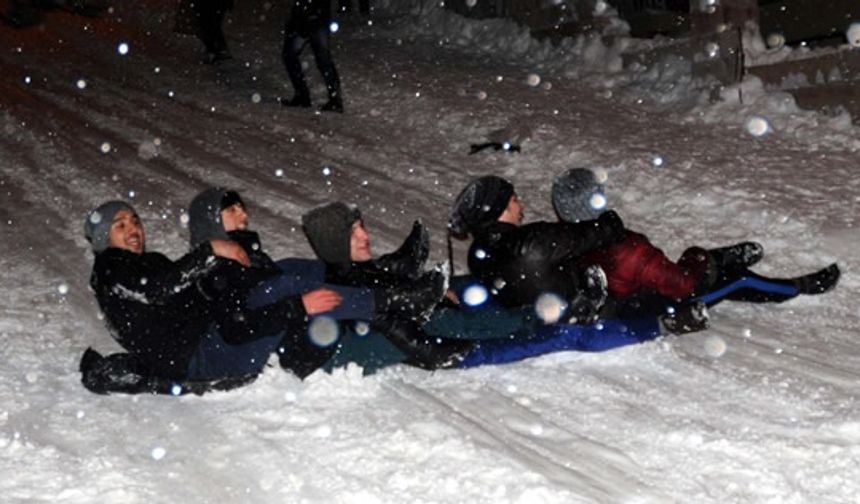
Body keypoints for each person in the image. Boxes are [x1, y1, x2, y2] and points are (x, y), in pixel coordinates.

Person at [302, 202, 707, 375]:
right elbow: (411, 339)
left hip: (399, 311)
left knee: (467, 298)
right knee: (495, 321)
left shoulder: (345, 274)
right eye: (356, 232)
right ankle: (576, 311)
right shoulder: (351, 296)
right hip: (424, 331)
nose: (365, 233)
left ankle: (411, 277)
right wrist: (441, 328)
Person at [82, 200, 343, 394]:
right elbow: (157, 290)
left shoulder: (151, 262)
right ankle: (365, 299)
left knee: (286, 271)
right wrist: (210, 251)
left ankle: (353, 279)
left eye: (136, 221)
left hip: (209, 342)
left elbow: (186, 296)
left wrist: (223, 281)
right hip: (199, 359)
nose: (133, 229)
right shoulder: (110, 267)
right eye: (120, 225)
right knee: (281, 287)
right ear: (105, 237)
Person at [186, 187, 447, 376]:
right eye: (232, 209)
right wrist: (299, 306)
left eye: (242, 207)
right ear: (210, 222)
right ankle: (394, 297)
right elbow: (235, 327)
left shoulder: (248, 258)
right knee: (286, 281)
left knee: (296, 268)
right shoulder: (214, 268)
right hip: (246, 358)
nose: (243, 213)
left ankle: (389, 273)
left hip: (273, 338)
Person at [550, 168, 841, 317]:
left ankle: (714, 259)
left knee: (693, 262)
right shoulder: (628, 247)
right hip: (661, 305)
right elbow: (683, 285)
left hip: (630, 297)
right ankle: (797, 286)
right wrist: (696, 262)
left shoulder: (564, 240)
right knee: (737, 280)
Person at [448, 175, 626, 323]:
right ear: (499, 210)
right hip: (581, 315)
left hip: (532, 321)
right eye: (514, 200)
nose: (521, 206)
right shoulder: (528, 242)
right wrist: (608, 225)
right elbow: (579, 237)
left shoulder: (478, 254)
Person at [281, 0, 343, 112]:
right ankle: (332, 98)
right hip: (313, 18)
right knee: (322, 59)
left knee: (321, 59)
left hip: (312, 18)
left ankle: (305, 95)